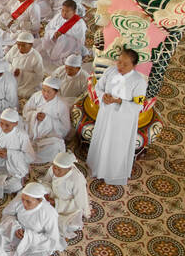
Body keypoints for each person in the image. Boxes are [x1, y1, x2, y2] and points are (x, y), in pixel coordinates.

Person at [87, 48, 147, 186]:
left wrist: (119, 101)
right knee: (103, 140)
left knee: (115, 146)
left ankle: (112, 174)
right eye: (119, 62)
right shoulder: (110, 71)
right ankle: (97, 168)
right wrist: (103, 96)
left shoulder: (139, 81)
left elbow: (139, 105)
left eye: (125, 64)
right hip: (106, 115)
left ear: (134, 65)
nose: (120, 66)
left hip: (122, 121)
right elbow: (99, 87)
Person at [49, 150, 90, 241]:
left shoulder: (76, 180)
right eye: (54, 167)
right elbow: (46, 181)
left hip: (68, 207)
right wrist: (46, 194)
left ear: (69, 169)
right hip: (53, 196)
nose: (55, 171)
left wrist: (56, 203)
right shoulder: (53, 168)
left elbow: (79, 203)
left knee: (72, 226)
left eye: (59, 169)